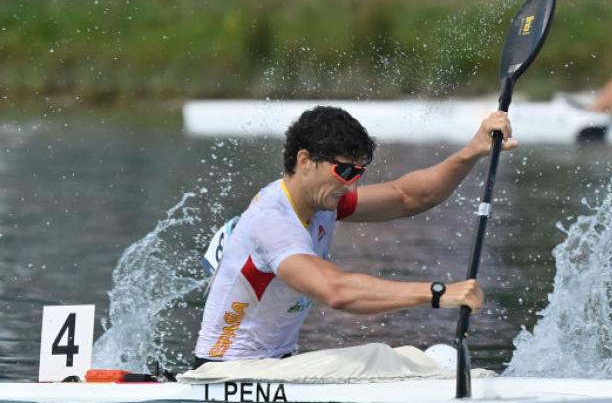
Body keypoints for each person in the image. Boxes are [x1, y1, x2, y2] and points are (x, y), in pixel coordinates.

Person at [193, 105, 513, 365]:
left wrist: (471, 152)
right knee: (388, 359)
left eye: (358, 173)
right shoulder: (273, 223)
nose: (352, 185)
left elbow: (409, 196)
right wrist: (439, 293)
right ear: (304, 161)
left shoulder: (321, 202)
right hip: (225, 372)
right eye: (345, 171)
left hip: (273, 365)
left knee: (429, 360)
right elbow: (336, 291)